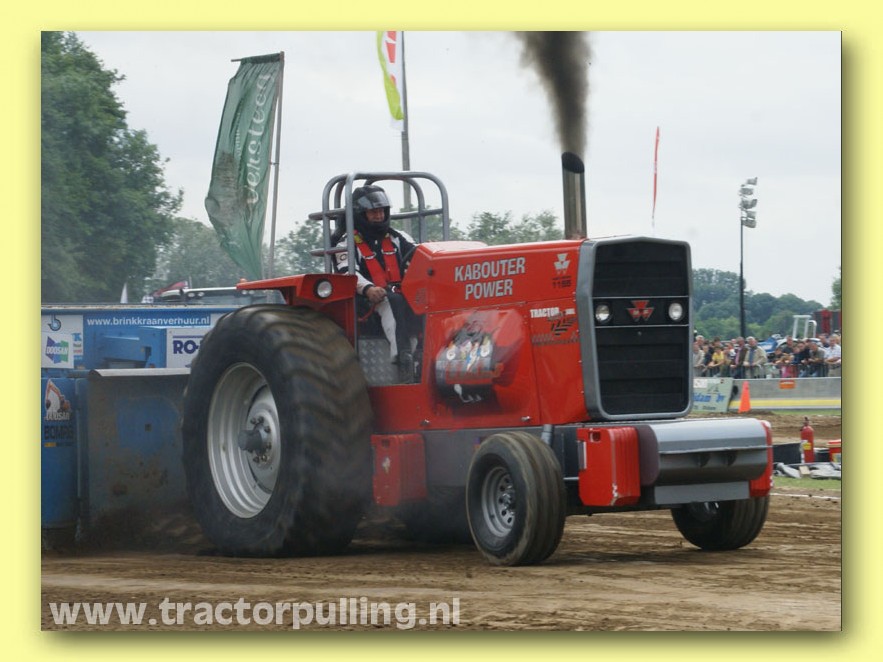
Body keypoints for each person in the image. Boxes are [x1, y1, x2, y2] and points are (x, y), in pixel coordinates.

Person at [334, 185, 422, 382]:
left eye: (382, 211)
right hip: (365, 300)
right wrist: (368, 289)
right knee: (393, 302)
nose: (379, 216)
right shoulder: (346, 244)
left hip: (399, 292)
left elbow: (418, 257)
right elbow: (347, 273)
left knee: (424, 300)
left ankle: (426, 354)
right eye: (373, 212)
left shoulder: (398, 238)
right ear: (361, 214)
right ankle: (404, 361)